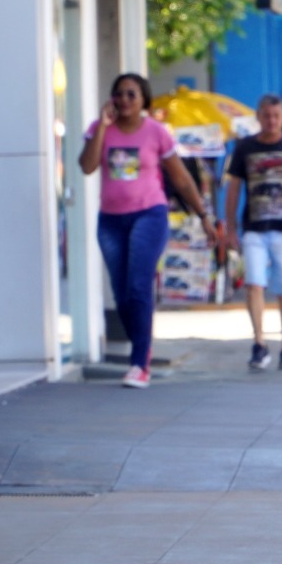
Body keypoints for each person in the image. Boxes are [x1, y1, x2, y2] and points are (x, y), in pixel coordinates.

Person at [79, 72, 213, 389]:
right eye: (119, 94)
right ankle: (141, 346)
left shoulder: (156, 133)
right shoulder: (100, 130)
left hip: (149, 215)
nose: (124, 100)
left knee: (139, 286)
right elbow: (86, 166)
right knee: (122, 294)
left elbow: (180, 179)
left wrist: (203, 214)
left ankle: (140, 362)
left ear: (143, 101)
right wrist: (101, 127)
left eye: (131, 94)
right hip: (111, 220)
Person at [223, 94, 282, 372]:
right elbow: (234, 188)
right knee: (254, 283)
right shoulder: (245, 147)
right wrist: (230, 227)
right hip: (254, 227)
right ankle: (259, 342)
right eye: (266, 115)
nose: (271, 121)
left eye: (276, 116)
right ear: (258, 116)